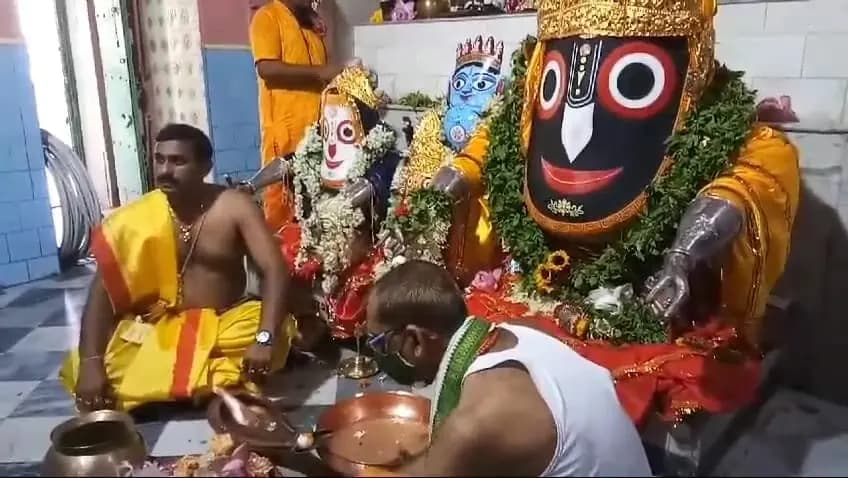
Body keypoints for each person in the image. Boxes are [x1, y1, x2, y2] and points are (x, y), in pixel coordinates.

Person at [388, 0, 800, 425]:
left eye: (636, 80)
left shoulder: (727, 124)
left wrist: (679, 257)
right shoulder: (519, 115)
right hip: (541, 272)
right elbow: (481, 153)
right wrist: (430, 200)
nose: (576, 134)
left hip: (644, 283)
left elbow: (747, 180)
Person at [60, 124, 297, 412]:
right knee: (81, 364)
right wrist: (90, 363)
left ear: (204, 167)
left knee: (276, 328)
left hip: (223, 324)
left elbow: (274, 270)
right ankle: (210, 381)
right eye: (160, 160)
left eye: (178, 161)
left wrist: (264, 338)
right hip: (155, 329)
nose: (165, 170)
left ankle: (167, 384)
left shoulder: (234, 207)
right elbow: (102, 292)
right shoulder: (137, 217)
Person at [362, 260, 652, 477]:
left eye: (381, 344)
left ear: (415, 340)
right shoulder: (521, 332)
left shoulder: (476, 424)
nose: (380, 355)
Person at [250, 0, 345, 233]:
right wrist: (320, 72)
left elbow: (323, 73)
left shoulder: (310, 24)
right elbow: (267, 69)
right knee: (283, 214)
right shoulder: (267, 17)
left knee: (316, 213)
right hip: (286, 136)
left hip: (318, 133)